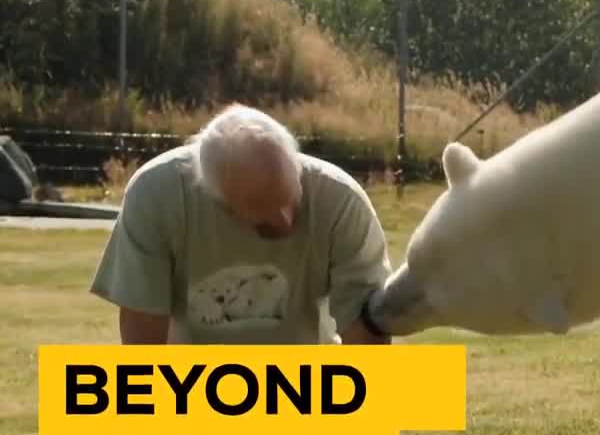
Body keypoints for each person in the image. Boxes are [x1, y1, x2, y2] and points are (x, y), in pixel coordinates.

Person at [89, 104, 392, 345]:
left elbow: (364, 329)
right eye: (265, 210)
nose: (286, 220)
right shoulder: (157, 196)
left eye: (290, 196)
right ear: (217, 199)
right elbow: (142, 335)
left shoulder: (340, 201)